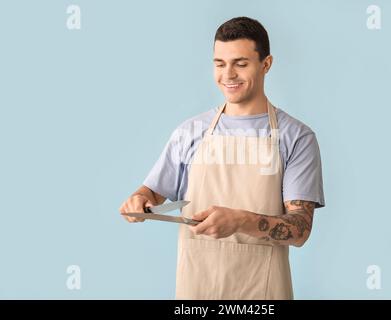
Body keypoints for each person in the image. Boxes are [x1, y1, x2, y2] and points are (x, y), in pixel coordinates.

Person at [119, 16, 325, 300]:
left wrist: (241, 221)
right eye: (220, 63)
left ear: (266, 64)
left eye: (240, 63)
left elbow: (300, 229)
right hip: (197, 288)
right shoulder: (189, 132)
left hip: (262, 293)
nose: (228, 75)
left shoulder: (296, 137)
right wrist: (140, 199)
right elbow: (153, 193)